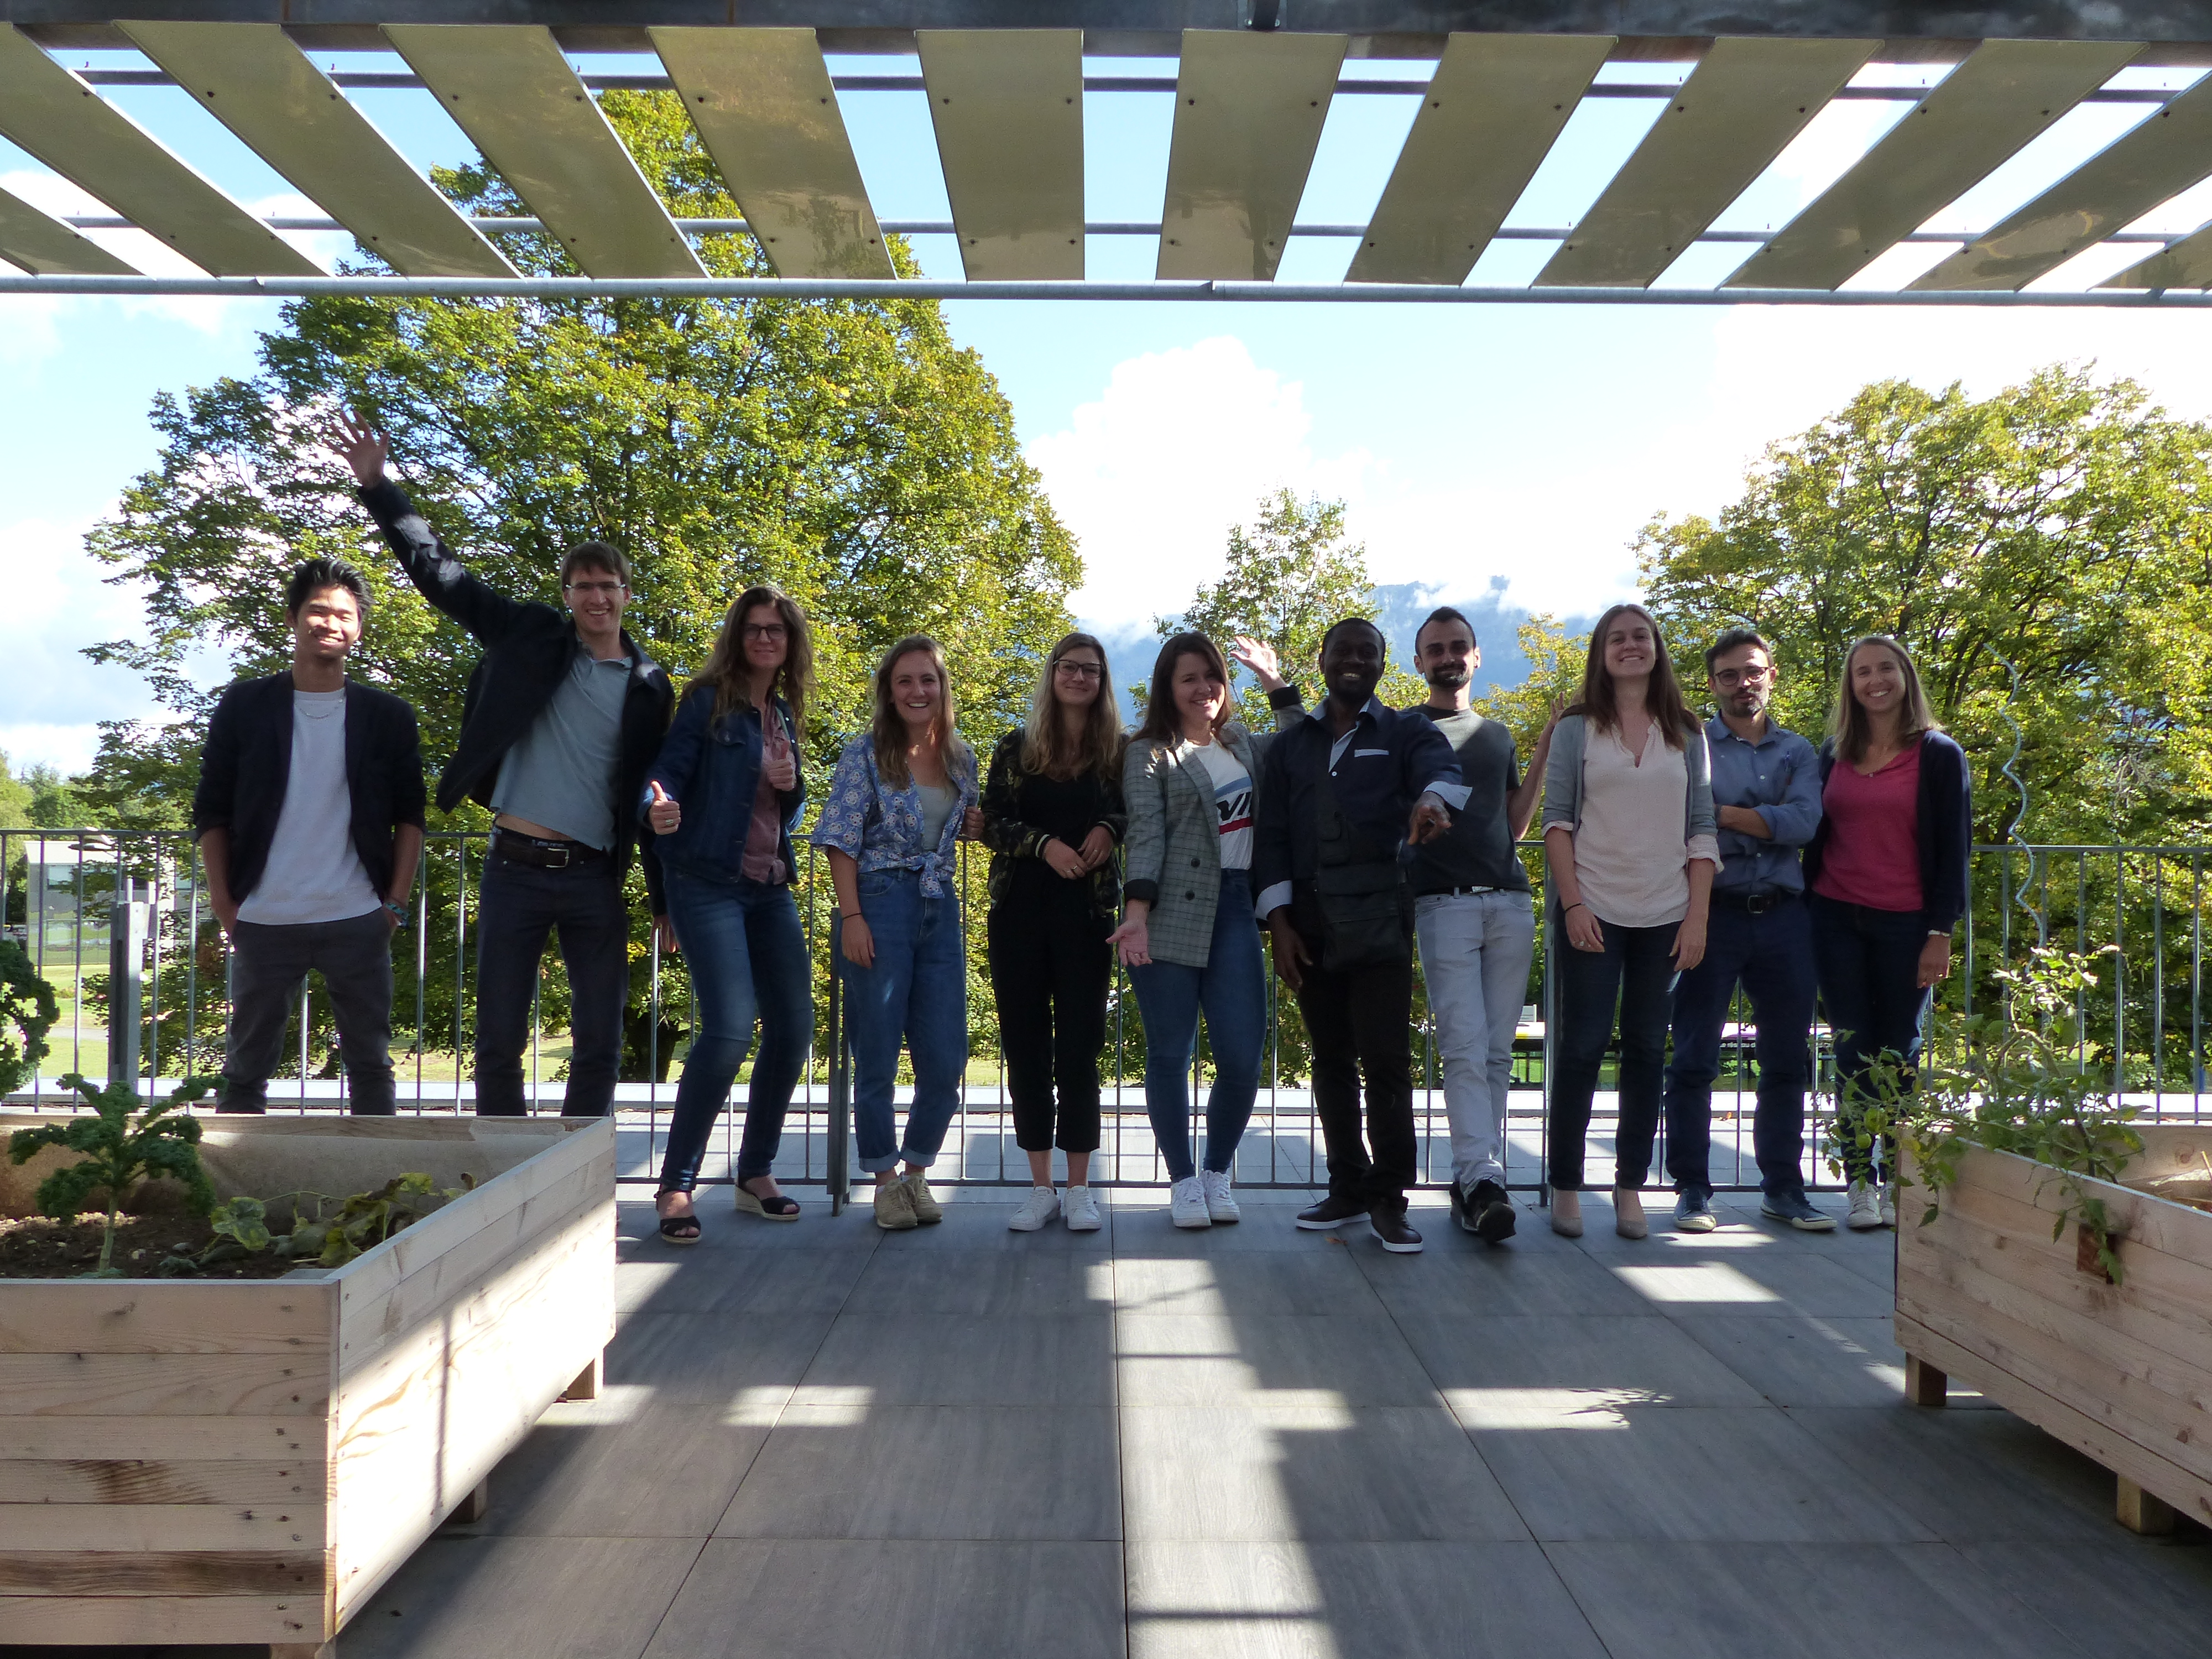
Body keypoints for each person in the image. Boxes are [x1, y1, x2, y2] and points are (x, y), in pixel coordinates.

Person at [330, 415, 674, 1119]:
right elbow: (442, 574)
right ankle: (502, 1178)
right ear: (568, 597)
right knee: (497, 1041)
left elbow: (649, 788)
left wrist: (662, 867)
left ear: (626, 595)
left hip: (593, 878)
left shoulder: (650, 684)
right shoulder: (530, 637)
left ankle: (571, 1174)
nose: (596, 598)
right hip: (514, 870)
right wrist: (378, 487)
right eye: (582, 587)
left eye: (607, 585)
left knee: (600, 1043)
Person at [1255, 618, 1464, 1254]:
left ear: (1381, 665)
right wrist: (1280, 925)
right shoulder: (1291, 745)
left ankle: (1388, 1199)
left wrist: (1430, 803)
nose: (1353, 660)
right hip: (1309, 924)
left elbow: (1443, 769)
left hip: (1380, 919)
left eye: (1366, 653)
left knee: (1387, 1064)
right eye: (1342, 651)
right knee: (1331, 1063)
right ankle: (1346, 1185)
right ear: (1320, 660)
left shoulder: (1405, 730)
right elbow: (1272, 839)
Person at [194, 559, 425, 1115]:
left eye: (344, 614)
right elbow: (211, 811)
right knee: (245, 1070)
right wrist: (227, 904)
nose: (330, 623)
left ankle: (378, 1193)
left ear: (359, 627)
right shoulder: (245, 706)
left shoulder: (387, 716)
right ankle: (235, 1198)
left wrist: (393, 903)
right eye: (317, 611)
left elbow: (410, 818)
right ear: (293, 618)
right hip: (266, 917)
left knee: (371, 1067)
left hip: (356, 916)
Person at [641, 586, 815, 1244]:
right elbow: (665, 776)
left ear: (790, 643)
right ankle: (677, 1185)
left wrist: (791, 783)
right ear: (737, 637)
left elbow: (783, 812)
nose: (765, 639)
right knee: (729, 1031)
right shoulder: (707, 700)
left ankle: (755, 1173)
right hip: (706, 880)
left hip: (769, 886)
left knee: (794, 1028)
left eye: (776, 630)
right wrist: (656, 806)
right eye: (754, 629)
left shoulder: (784, 715)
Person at [1541, 603, 1719, 1240]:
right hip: (1594, 909)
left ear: (1656, 648)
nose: (1629, 646)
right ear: (1601, 652)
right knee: (1583, 1048)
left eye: (1639, 636)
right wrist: (1573, 905)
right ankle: (1565, 1184)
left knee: (1646, 1051)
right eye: (1616, 639)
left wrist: (1696, 916)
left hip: (1666, 914)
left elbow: (1702, 829)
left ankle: (1629, 1187)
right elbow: (1556, 822)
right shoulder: (1576, 728)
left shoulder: (1688, 732)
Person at [1111, 632, 1300, 1230]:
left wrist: (1274, 681)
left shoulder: (1242, 743)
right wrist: (1135, 914)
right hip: (1168, 912)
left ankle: (1218, 1172)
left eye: (1212, 676)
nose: (1203, 689)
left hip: (1236, 907)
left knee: (1242, 1056)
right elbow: (1145, 833)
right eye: (1188, 678)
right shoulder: (1147, 753)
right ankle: (1183, 1181)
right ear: (1168, 687)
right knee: (1170, 1054)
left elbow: (1302, 745)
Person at [1661, 628, 1834, 1233]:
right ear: (1712, 684)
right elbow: (1682, 822)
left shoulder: (1799, 751)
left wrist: (1724, 817)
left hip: (1786, 917)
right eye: (1729, 675)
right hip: (1709, 912)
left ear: (1772, 675)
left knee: (1787, 1059)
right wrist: (1765, 823)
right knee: (1693, 1057)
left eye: (1752, 671)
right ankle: (1691, 1189)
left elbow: (1806, 823)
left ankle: (1783, 1187)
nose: (1743, 683)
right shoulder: (1690, 746)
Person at [813, 635, 984, 1231]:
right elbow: (839, 838)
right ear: (889, 692)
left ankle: (917, 1171)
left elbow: (963, 824)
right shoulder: (865, 754)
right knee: (878, 1052)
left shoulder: (962, 759)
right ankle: (884, 1180)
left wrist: (978, 825)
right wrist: (852, 917)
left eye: (928, 680)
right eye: (905, 681)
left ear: (943, 689)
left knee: (944, 1056)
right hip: (879, 905)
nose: (918, 691)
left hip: (939, 910)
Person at [1803, 634, 1970, 1231]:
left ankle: (1899, 1178)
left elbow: (1953, 852)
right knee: (1852, 1049)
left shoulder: (1938, 755)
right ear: (1850, 687)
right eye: (1861, 673)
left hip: (1907, 925)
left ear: (1905, 676)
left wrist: (1940, 932)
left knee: (1899, 1051)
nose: (1873, 681)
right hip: (1833, 918)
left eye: (1884, 669)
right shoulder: (1833, 755)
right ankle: (1858, 1182)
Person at [1404, 607, 1556, 1243]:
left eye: (1458, 646)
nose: (1448, 656)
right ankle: (1481, 1177)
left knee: (1496, 1051)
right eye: (1435, 648)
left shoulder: (1495, 734)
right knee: (1464, 1047)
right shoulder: (1404, 729)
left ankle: (1476, 1182)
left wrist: (1547, 742)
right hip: (1442, 904)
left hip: (1511, 901)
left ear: (1475, 656)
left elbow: (1515, 825)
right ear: (1418, 662)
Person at [980, 633, 1126, 1235]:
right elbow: (990, 821)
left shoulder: (1117, 751)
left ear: (1101, 680)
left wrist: (1108, 830)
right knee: (1025, 1047)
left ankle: (1079, 1187)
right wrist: (1045, 845)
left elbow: (1133, 808)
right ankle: (1040, 1187)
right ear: (1053, 674)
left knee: (1080, 1049)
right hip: (1019, 912)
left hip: (1087, 915)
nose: (1079, 678)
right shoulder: (1016, 747)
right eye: (1069, 668)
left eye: (1090, 670)